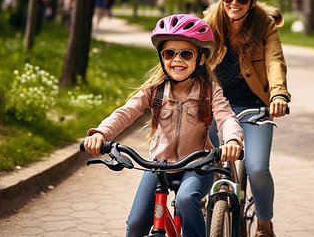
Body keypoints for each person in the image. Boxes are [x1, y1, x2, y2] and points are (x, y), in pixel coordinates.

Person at [83, 14, 244, 237]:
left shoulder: (209, 91)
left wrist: (233, 140)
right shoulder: (155, 89)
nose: (177, 60)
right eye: (169, 53)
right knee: (137, 224)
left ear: (200, 59)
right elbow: (126, 112)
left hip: (198, 165)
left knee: (187, 200)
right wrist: (101, 133)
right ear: (162, 57)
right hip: (159, 165)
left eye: (186, 54)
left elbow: (226, 118)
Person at [203, 0, 291, 237]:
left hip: (254, 108)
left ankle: (264, 224)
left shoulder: (264, 26)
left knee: (256, 168)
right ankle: (208, 209)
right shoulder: (207, 23)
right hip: (214, 107)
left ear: (253, 0)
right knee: (205, 165)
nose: (234, 3)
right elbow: (187, 57)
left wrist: (278, 94)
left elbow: (275, 61)